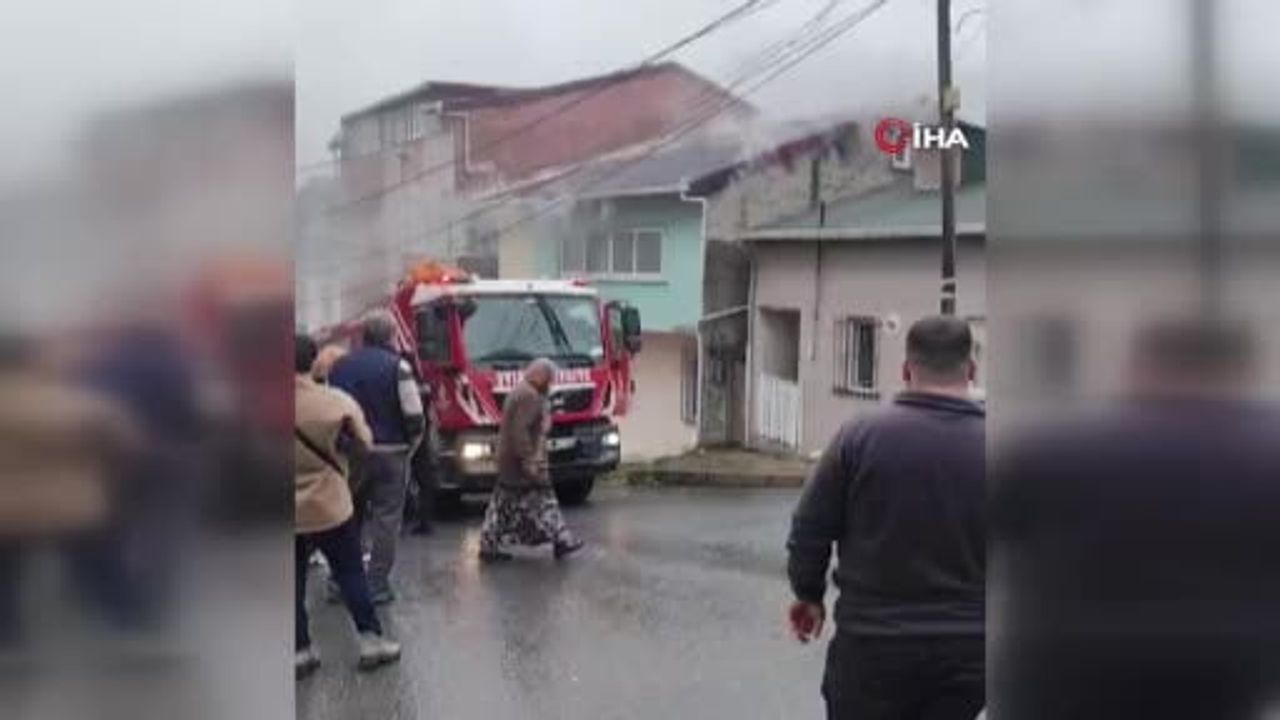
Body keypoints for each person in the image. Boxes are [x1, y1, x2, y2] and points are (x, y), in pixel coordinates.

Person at [787, 316, 985, 720]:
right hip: (968, 653)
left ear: (905, 370)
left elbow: (811, 529)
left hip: (872, 647)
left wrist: (808, 595)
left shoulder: (858, 437)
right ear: (971, 370)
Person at [294, 333, 400, 677]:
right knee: (350, 571)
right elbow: (363, 443)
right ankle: (370, 641)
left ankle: (300, 651)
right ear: (312, 362)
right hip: (328, 503)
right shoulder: (334, 402)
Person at [328, 312, 425, 604]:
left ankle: (341, 581)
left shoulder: (340, 366)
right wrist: (412, 445)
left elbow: (332, 412)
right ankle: (377, 584)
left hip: (352, 452)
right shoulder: (399, 367)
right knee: (386, 519)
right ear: (390, 336)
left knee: (347, 516)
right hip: (391, 451)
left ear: (364, 336)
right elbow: (414, 414)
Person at [478, 358, 584, 562]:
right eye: (549, 379)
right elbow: (521, 432)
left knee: (502, 503)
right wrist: (530, 460)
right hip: (522, 462)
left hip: (509, 460)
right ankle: (562, 539)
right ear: (541, 376)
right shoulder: (529, 396)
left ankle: (488, 543)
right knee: (544, 499)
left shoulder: (520, 391)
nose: (550, 384)